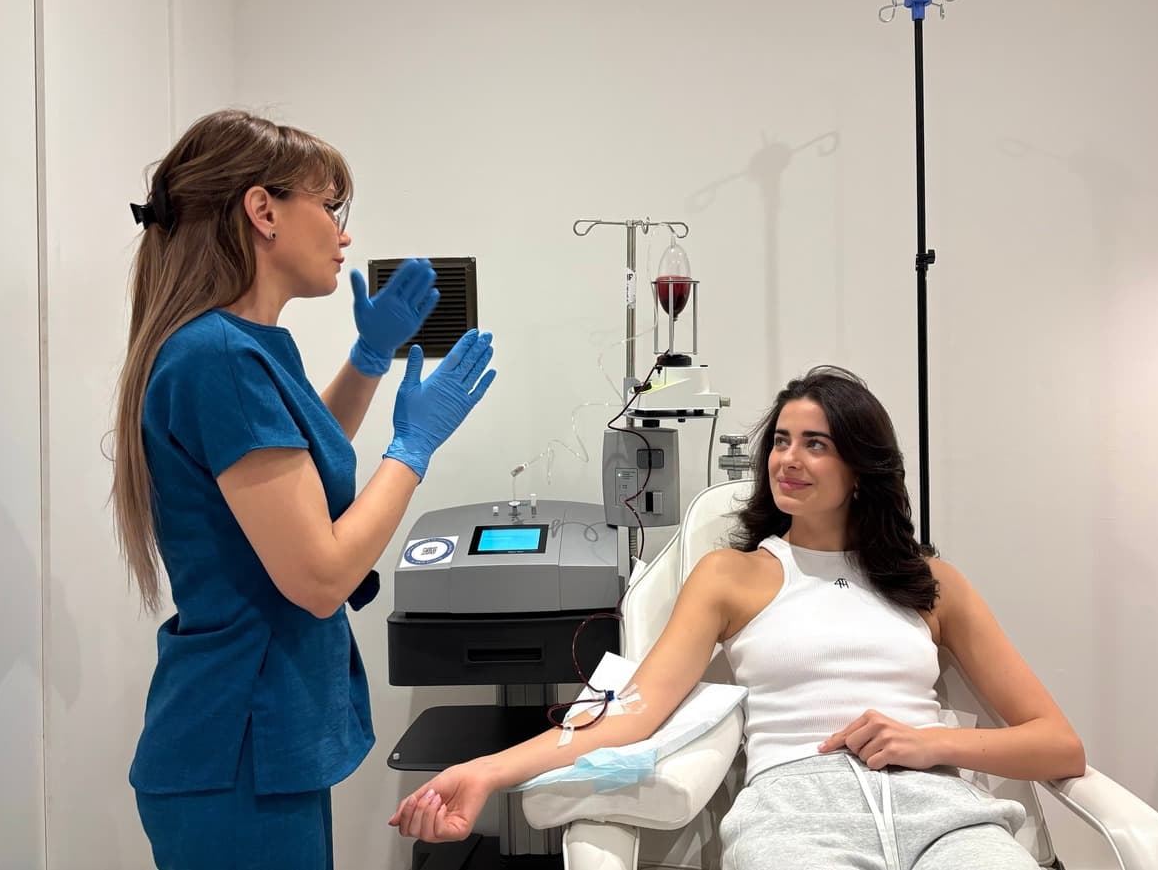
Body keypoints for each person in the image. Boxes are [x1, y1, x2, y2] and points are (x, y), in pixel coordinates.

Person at [389, 366, 1084, 869]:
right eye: (782, 439)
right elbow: (631, 712)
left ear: (862, 466)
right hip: (795, 815)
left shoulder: (932, 583)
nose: (788, 457)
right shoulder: (731, 574)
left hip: (944, 816)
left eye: (816, 442)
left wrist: (932, 744)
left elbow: (1056, 743)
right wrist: (484, 771)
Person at [110, 109, 496, 870]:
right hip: (235, 746)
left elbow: (296, 468)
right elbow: (319, 575)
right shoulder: (216, 355)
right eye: (330, 206)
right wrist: (412, 449)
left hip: (253, 735)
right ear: (263, 211)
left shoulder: (239, 346)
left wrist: (369, 356)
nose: (343, 234)